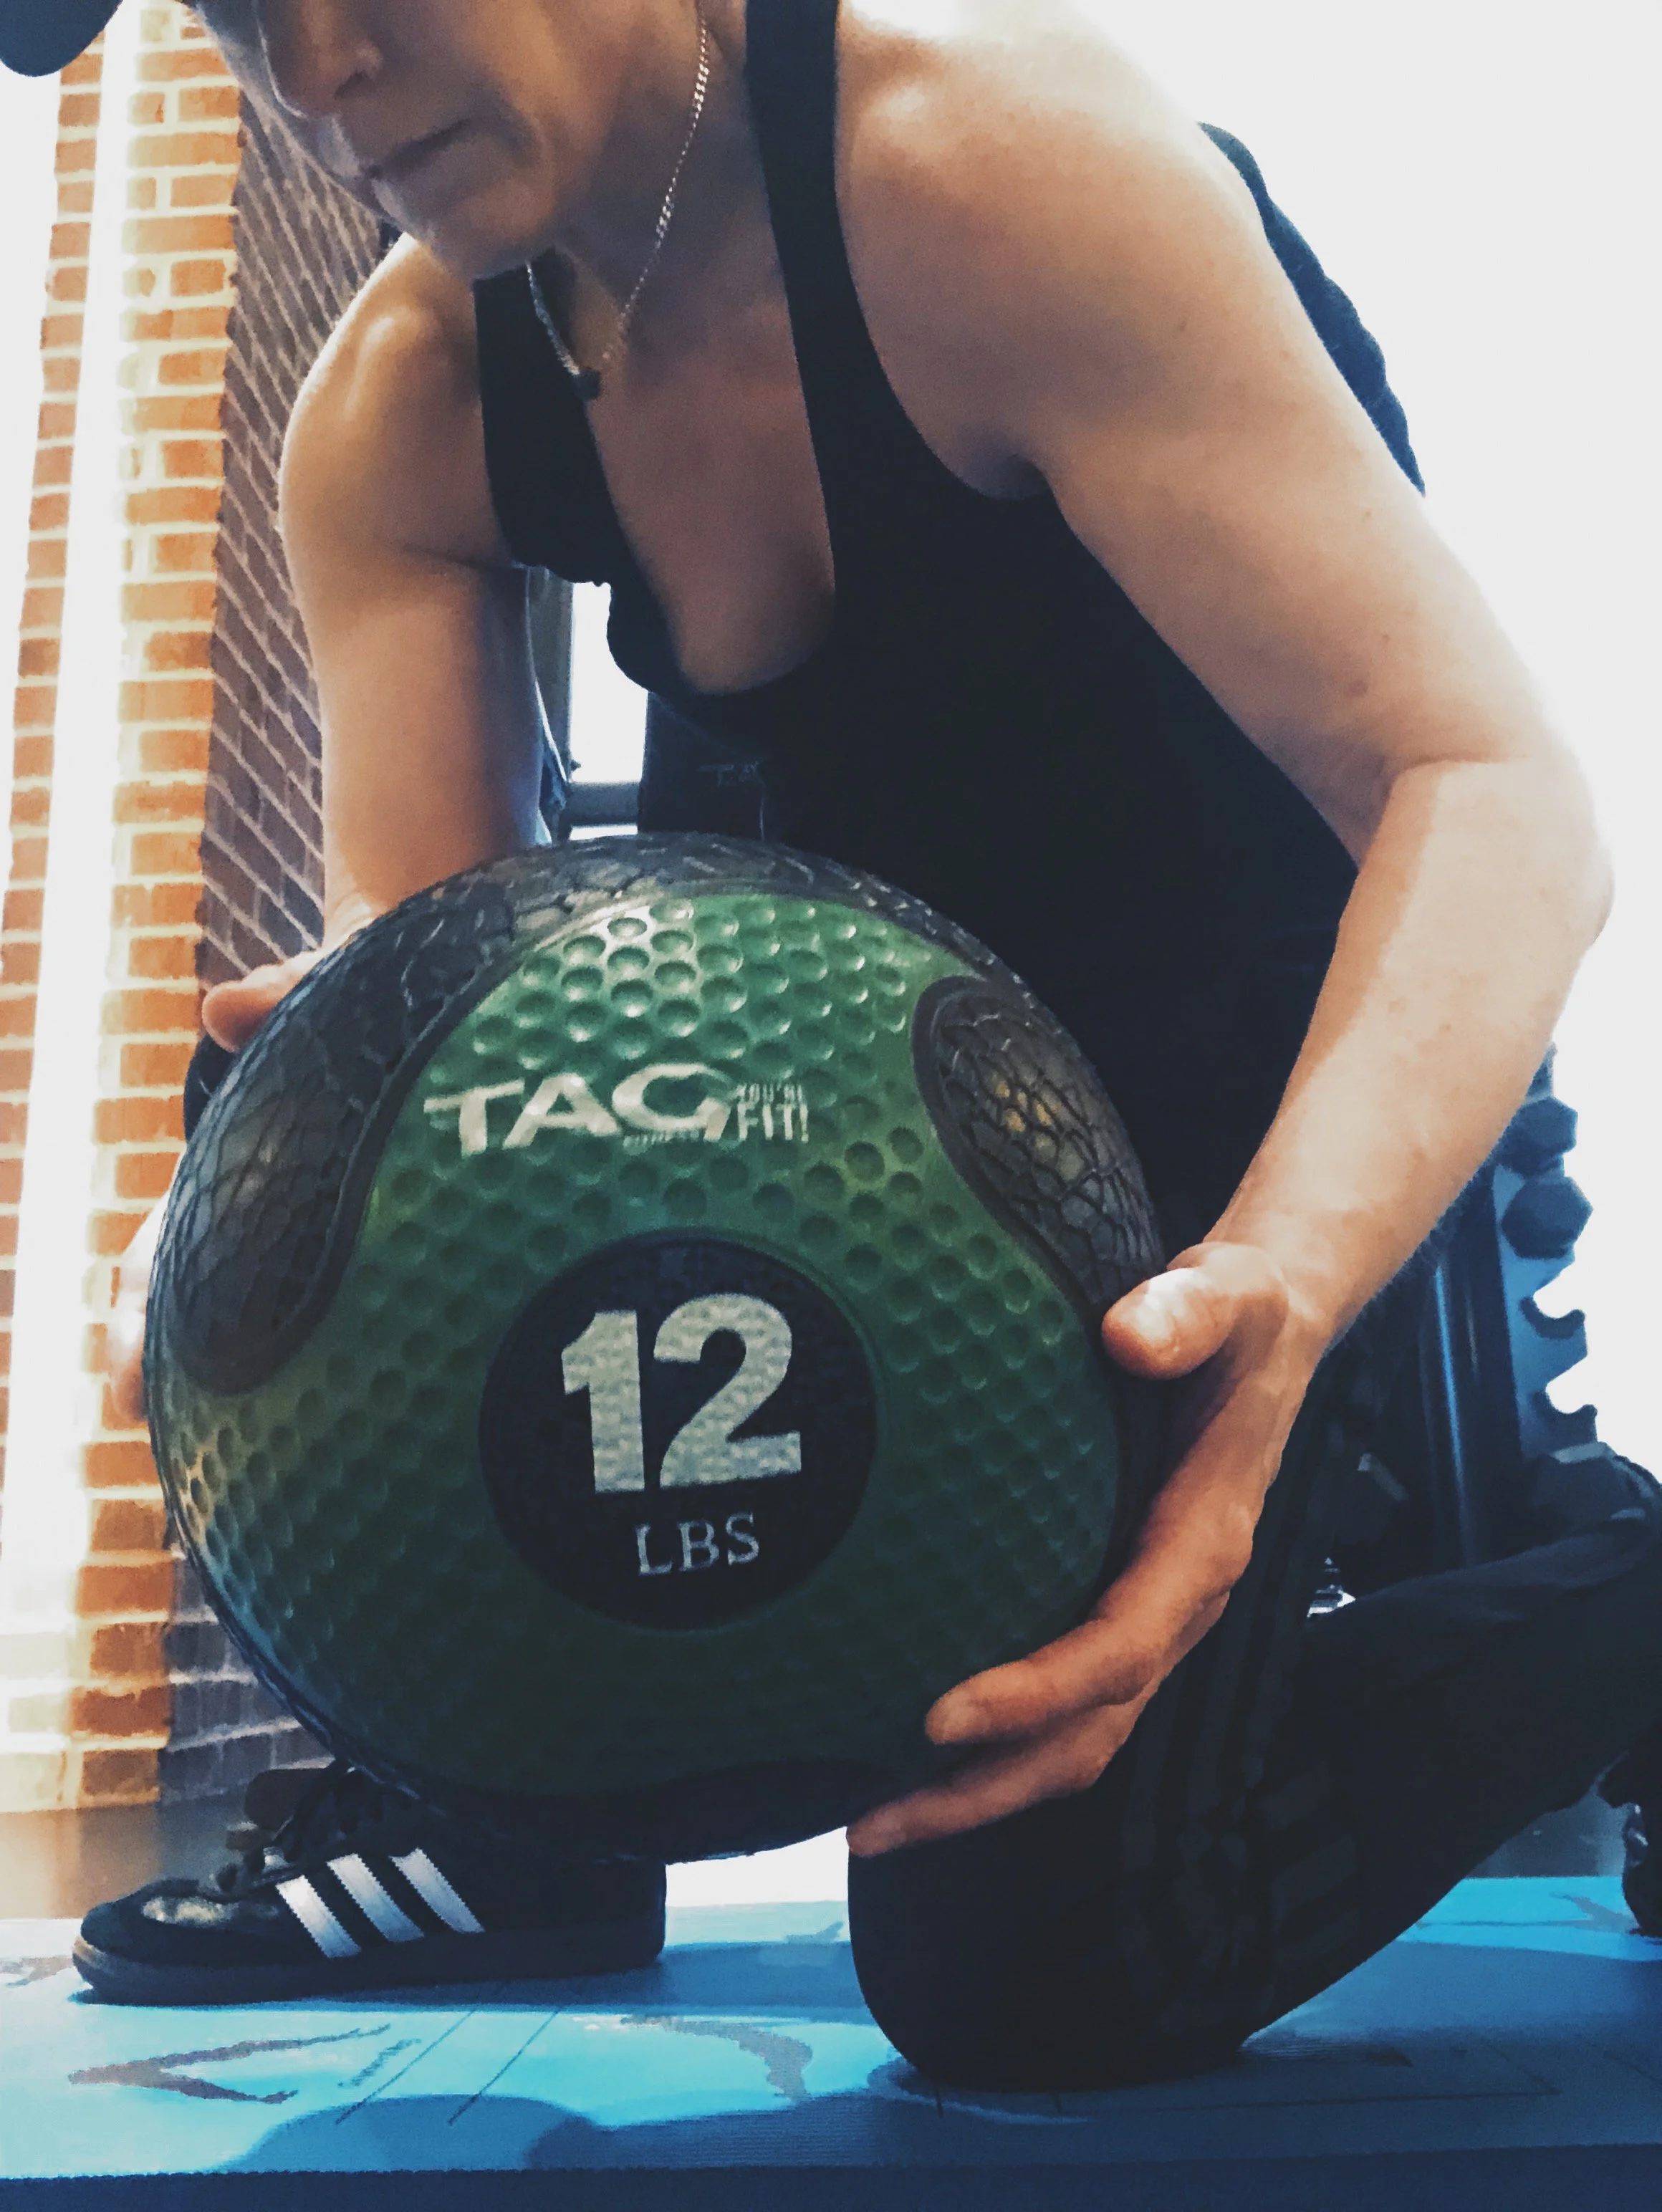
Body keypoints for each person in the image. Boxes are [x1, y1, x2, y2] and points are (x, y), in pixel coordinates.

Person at [9, 0, 1661, 2080]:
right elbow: (433, 1025)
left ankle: (1609, 1592)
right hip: (911, 1146)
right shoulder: (403, 417)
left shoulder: (984, 171)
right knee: (279, 1111)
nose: (313, 67)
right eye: (236, 5)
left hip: (1299, 1113)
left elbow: (1491, 787)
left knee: (1038, 1959)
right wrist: (275, 1222)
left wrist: (1286, 1283)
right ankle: (513, 1826)